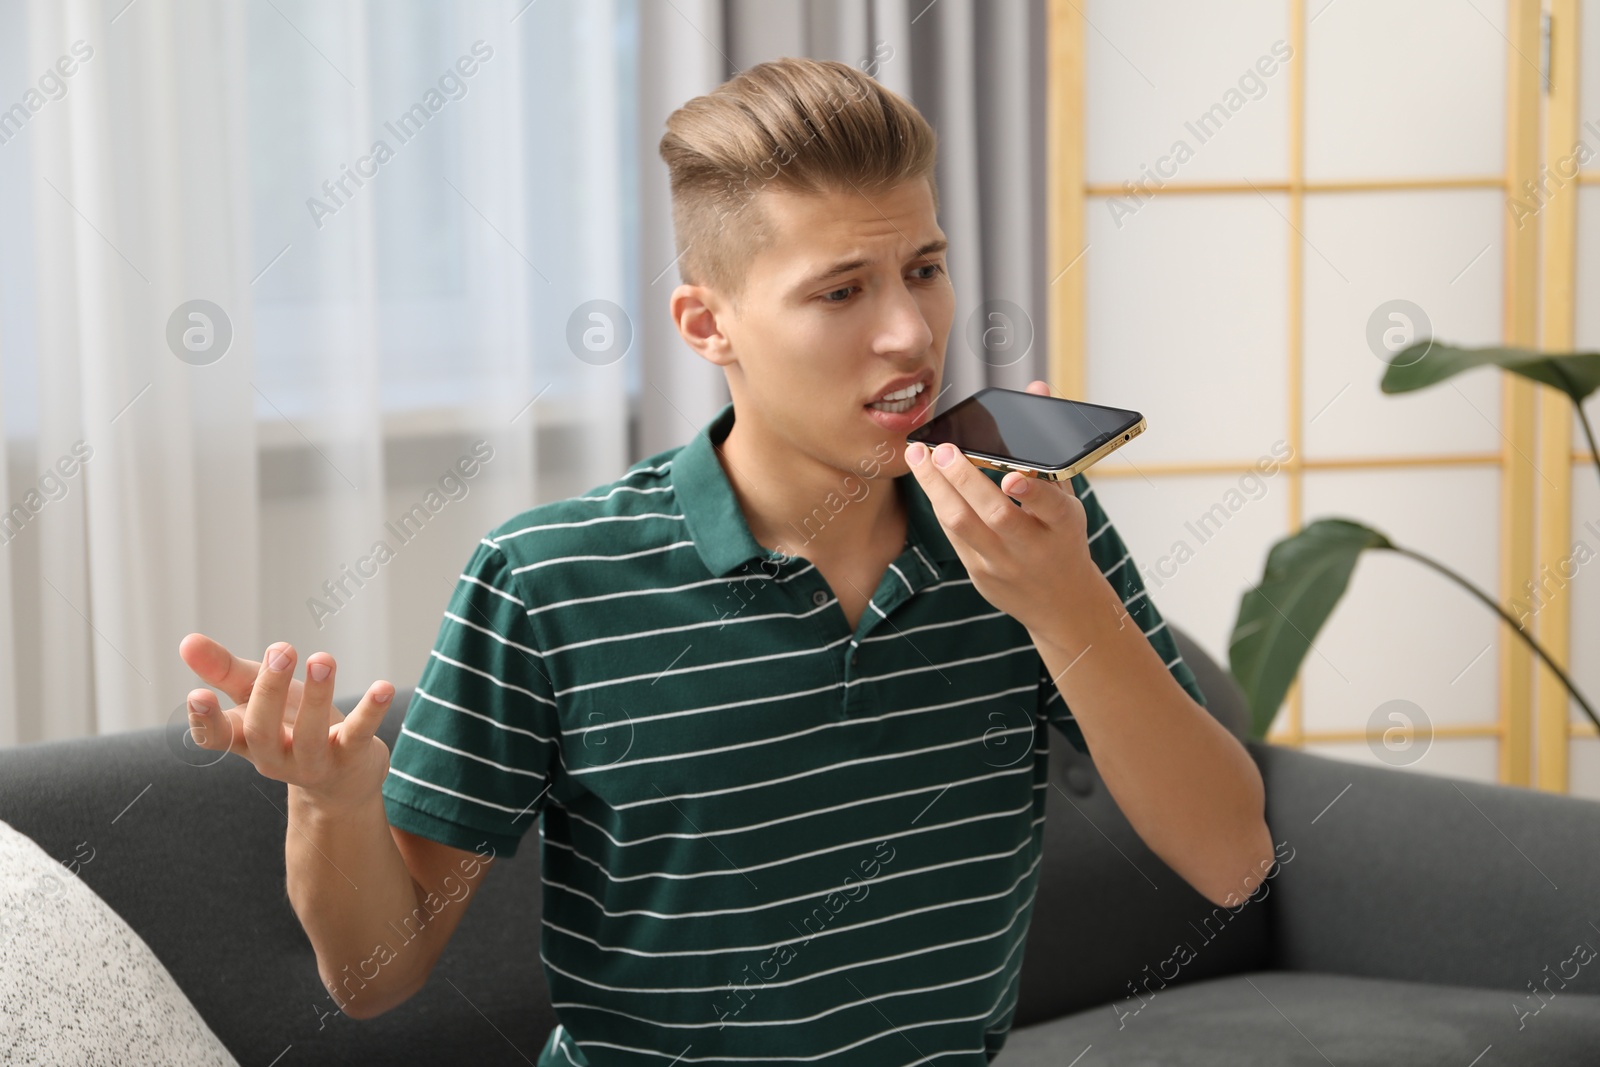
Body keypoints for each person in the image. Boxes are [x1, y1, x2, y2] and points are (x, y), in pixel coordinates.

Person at [179, 56, 1272, 1066]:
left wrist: (1066, 606)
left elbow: (1232, 857)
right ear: (708, 324)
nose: (910, 331)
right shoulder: (549, 578)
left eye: (925, 268)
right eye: (841, 290)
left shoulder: (1031, 528)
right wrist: (333, 804)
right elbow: (375, 977)